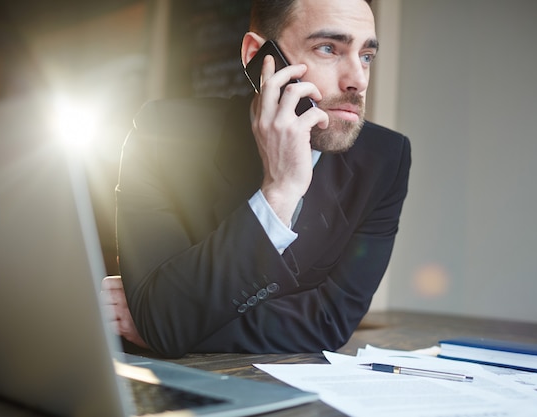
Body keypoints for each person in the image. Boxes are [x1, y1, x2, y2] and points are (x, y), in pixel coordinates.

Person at [102, 0, 411, 358]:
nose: (357, 78)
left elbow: (331, 321)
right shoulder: (161, 136)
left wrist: (167, 322)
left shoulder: (385, 160)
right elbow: (164, 318)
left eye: (367, 55)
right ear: (258, 55)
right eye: (328, 49)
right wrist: (279, 195)